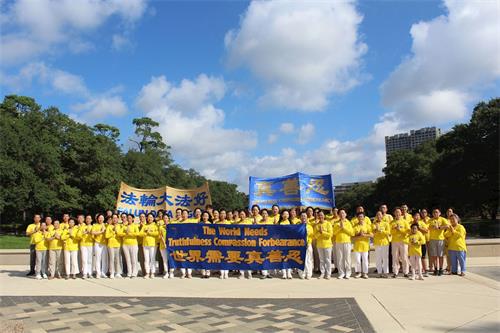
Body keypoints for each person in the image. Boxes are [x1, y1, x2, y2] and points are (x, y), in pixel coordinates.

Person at [332, 209, 354, 279]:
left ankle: (348, 273)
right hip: (338, 242)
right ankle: (341, 273)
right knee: (340, 258)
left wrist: (343, 228)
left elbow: (352, 233)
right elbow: (334, 233)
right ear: (338, 215)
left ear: (345, 214)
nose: (342, 214)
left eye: (343, 213)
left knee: (347, 258)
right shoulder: (336, 223)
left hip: (347, 242)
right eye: (340, 213)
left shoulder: (348, 222)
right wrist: (340, 228)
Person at [428, 208, 449, 276]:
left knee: (440, 255)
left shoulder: (442, 219)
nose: (435, 213)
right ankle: (436, 269)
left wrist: (440, 227)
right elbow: (426, 227)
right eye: (434, 212)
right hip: (432, 239)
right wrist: (432, 226)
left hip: (440, 239)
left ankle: (440, 269)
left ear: (439, 213)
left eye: (436, 212)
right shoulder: (430, 220)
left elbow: (447, 226)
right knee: (434, 255)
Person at [390, 208, 410, 278]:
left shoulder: (405, 222)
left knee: (404, 257)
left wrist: (400, 229)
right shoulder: (392, 222)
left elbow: (408, 232)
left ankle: (406, 272)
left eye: (398, 212)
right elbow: (390, 232)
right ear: (394, 213)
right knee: (395, 257)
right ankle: (395, 272)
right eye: (396, 212)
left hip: (403, 241)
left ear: (401, 213)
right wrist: (395, 229)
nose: (397, 213)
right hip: (395, 241)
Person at [353, 212, 373, 279]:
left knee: (365, 260)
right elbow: (352, 237)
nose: (360, 218)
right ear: (357, 218)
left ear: (364, 218)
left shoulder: (367, 226)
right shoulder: (355, 226)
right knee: (357, 260)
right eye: (359, 216)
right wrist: (359, 235)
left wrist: (364, 235)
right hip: (357, 246)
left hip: (365, 245)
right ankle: (358, 272)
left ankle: (365, 273)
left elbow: (372, 235)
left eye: (362, 216)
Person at [119, 214, 139, 278]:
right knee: (128, 259)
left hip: (133, 244)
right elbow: (119, 233)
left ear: (133, 219)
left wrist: (129, 233)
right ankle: (129, 272)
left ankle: (134, 272)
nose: (129, 219)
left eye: (130, 218)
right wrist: (125, 233)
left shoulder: (135, 226)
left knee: (133, 259)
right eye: (128, 218)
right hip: (125, 244)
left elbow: (137, 233)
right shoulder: (124, 226)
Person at [315, 211, 333, 279]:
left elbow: (330, 235)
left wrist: (323, 232)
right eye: (319, 215)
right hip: (319, 245)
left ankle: (328, 273)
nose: (320, 217)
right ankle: (322, 273)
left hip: (327, 245)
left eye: (321, 215)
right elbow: (315, 236)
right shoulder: (316, 225)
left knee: (328, 260)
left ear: (324, 216)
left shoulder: (328, 223)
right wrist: (319, 233)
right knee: (321, 260)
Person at [372, 211, 390, 278]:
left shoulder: (386, 223)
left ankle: (385, 272)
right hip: (377, 243)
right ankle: (379, 272)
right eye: (377, 215)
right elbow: (372, 233)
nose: (378, 216)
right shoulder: (374, 224)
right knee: (378, 258)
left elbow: (388, 232)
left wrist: (382, 231)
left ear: (382, 216)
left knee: (385, 258)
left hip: (385, 242)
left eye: (380, 215)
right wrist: (376, 230)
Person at [141, 213, 159, 279]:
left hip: (153, 244)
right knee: (146, 259)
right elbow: (140, 234)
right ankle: (147, 273)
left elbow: (157, 233)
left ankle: (152, 272)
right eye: (148, 217)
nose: (149, 218)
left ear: (153, 218)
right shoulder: (144, 225)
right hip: (145, 244)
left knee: (152, 259)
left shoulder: (155, 225)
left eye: (151, 217)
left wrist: (150, 232)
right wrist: (145, 233)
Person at [237, 210, 253, 279]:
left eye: (243, 214)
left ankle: (249, 273)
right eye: (240, 214)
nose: (242, 215)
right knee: (241, 259)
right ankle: (242, 274)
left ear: (245, 215)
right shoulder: (237, 223)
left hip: (249, 242)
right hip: (240, 243)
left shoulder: (249, 221)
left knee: (249, 258)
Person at [106, 214, 122, 279]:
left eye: (116, 218)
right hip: (111, 244)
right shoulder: (109, 226)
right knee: (111, 259)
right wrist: (112, 232)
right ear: (111, 219)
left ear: (118, 219)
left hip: (118, 244)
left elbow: (121, 234)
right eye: (113, 218)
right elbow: (106, 236)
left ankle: (117, 272)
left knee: (117, 259)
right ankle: (112, 273)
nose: (114, 219)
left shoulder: (120, 226)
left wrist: (116, 231)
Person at [78, 215, 94, 279]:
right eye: (87, 218)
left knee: (89, 260)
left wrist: (90, 233)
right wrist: (83, 233)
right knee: (84, 259)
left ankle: (89, 273)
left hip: (90, 244)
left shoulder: (93, 227)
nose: (88, 220)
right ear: (85, 219)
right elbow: (78, 236)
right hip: (83, 245)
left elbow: (94, 237)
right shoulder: (82, 226)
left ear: (91, 220)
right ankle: (85, 273)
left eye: (89, 219)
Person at [299, 212, 314, 279]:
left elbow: (311, 236)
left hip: (308, 244)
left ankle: (309, 273)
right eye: (302, 216)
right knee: (300, 259)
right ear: (300, 218)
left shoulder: (309, 226)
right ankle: (302, 273)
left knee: (308, 259)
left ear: (307, 217)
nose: (303, 217)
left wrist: (308, 243)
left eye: (304, 216)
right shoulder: (297, 226)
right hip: (299, 245)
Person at [92, 214, 107, 278]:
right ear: (97, 219)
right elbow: (93, 232)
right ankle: (98, 273)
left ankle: (103, 272)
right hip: (97, 243)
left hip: (104, 243)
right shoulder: (95, 225)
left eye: (102, 218)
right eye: (99, 218)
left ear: (104, 219)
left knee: (104, 258)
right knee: (98, 258)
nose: (101, 219)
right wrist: (101, 232)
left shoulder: (106, 225)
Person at [279, 210, 293, 279]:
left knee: (289, 258)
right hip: (281, 242)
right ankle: (284, 273)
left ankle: (289, 273)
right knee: (283, 258)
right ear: (281, 215)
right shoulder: (280, 223)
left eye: (287, 214)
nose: (285, 215)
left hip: (290, 242)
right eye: (284, 214)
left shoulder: (291, 223)